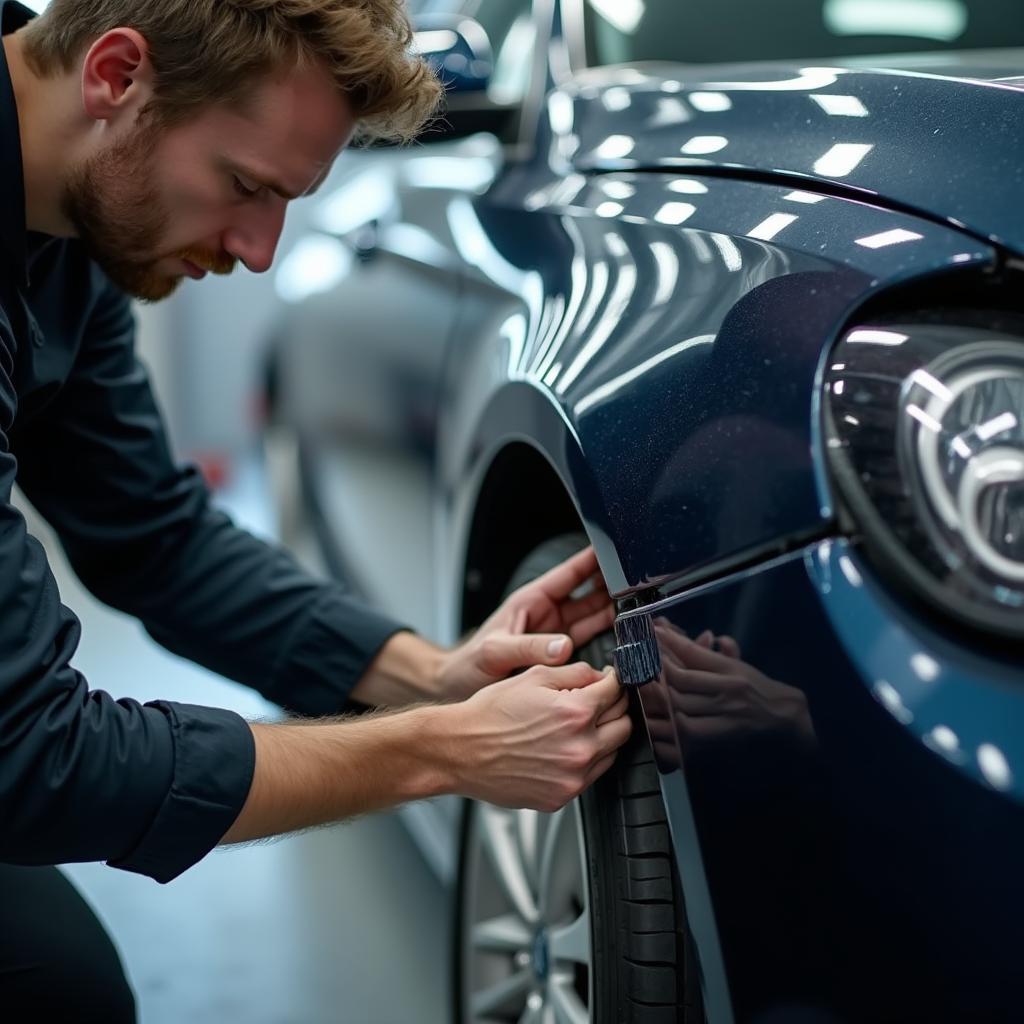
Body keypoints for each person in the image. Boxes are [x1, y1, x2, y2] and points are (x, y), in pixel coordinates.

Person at [0, 1, 632, 1018]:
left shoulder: (66, 229)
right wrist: (439, 750)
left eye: (287, 202)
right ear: (115, 76)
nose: (258, 251)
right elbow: (29, 755)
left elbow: (155, 539)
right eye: (244, 186)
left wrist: (434, 677)